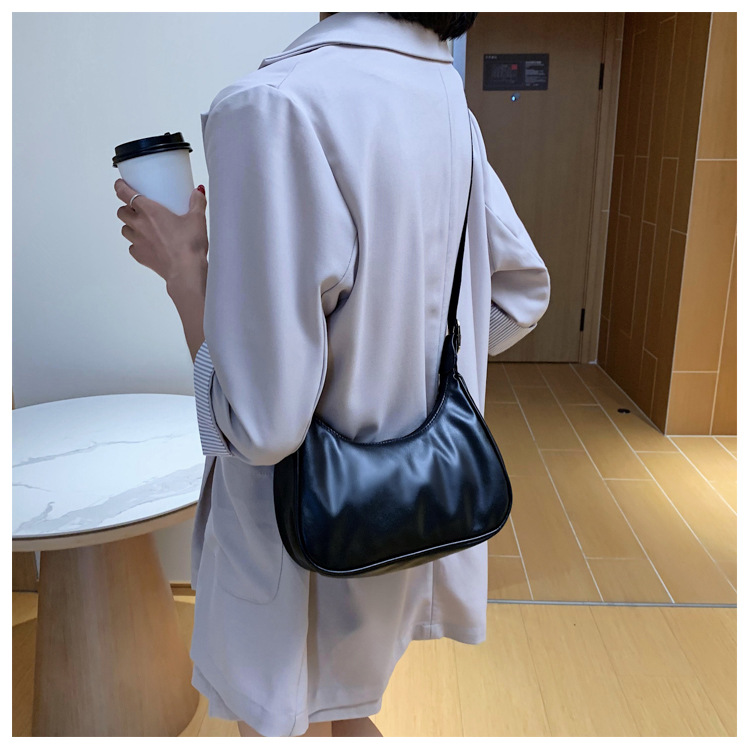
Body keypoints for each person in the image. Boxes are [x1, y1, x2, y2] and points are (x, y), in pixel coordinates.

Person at [114, 11, 551, 738]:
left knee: (302, 720)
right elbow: (518, 296)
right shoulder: (440, 94)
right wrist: (405, 372)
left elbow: (261, 426)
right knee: (342, 718)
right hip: (408, 505)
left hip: (302, 534)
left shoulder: (272, 104)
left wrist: (184, 268)